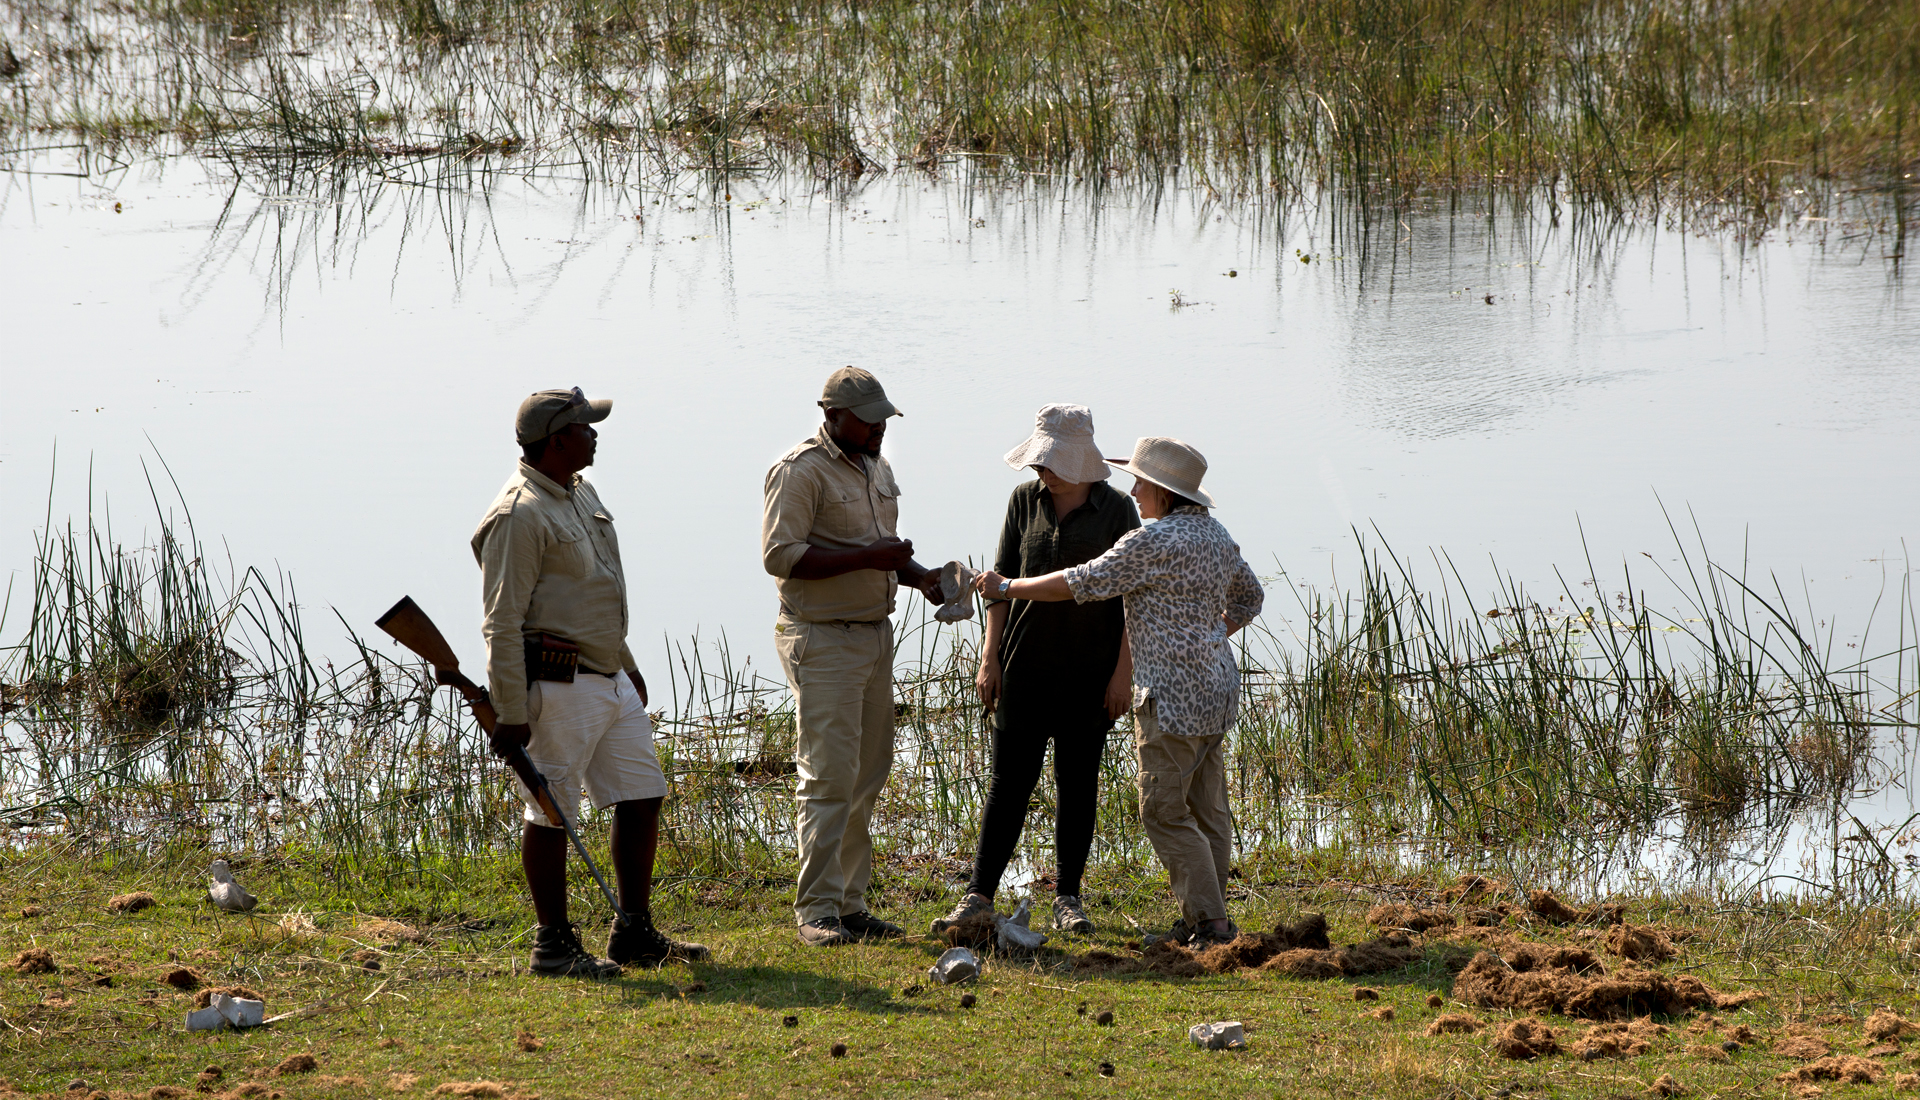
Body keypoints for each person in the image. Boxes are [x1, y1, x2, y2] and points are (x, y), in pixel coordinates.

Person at [973, 436, 1263, 947]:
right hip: (1217, 690)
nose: (1133, 490)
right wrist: (1213, 633)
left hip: (1170, 699)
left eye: (1141, 482)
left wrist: (1007, 588)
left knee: (1164, 813)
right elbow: (1250, 597)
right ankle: (1207, 916)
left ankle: (1212, 926)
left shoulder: (1151, 542)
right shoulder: (1216, 535)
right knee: (1207, 810)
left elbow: (1080, 582)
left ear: (1163, 492)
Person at [473, 387, 707, 977]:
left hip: (607, 676)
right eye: (586, 427)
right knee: (552, 811)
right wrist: (510, 712)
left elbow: (592, 590)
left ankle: (634, 933)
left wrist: (625, 661)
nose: (596, 434)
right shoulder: (518, 515)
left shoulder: (580, 492)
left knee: (642, 793)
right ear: (557, 440)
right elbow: (501, 621)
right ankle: (552, 945)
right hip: (557, 687)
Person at [931, 405, 1139, 938]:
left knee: (1078, 784)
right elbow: (999, 585)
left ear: (1079, 462)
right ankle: (978, 895)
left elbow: (1135, 602)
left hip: (1090, 673)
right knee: (1008, 785)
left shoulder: (1118, 511)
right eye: (1039, 460)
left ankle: (1068, 898)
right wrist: (989, 655)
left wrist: (1122, 674)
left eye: (1049, 462)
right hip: (1022, 666)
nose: (1039, 470)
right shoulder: (1023, 502)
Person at [761, 367, 946, 946]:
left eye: (883, 419)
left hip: (872, 635)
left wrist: (922, 579)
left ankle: (850, 903)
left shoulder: (876, 466)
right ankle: (816, 911)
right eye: (867, 420)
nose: (878, 429)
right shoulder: (799, 471)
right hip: (821, 637)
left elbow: (881, 551)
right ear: (831, 415)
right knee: (828, 774)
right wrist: (870, 557)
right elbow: (781, 556)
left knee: (868, 771)